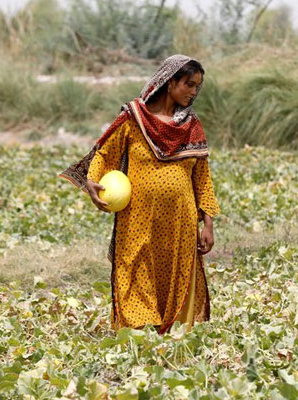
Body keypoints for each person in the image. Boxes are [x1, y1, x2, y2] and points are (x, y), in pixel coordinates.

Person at [59, 54, 220, 334]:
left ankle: (168, 333)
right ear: (170, 83)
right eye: (189, 85)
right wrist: (92, 182)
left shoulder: (191, 126)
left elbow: (202, 177)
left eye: (197, 87)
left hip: (180, 222)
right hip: (137, 219)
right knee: (135, 269)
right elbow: (105, 153)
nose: (195, 92)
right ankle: (139, 333)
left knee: (173, 275)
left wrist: (208, 222)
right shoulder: (134, 119)